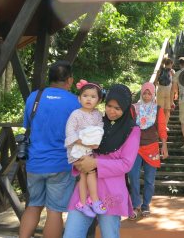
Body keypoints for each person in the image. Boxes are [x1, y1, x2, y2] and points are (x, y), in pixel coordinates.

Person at [63, 84, 140, 238]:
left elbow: (126, 164)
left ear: (125, 108)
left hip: (111, 191)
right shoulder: (96, 122)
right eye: (109, 106)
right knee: (71, 234)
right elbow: (81, 145)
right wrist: (79, 163)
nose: (112, 111)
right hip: (84, 191)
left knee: (109, 235)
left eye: (118, 108)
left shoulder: (132, 130)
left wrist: (96, 163)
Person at [19, 61, 80, 238]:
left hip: (35, 162)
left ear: (50, 78)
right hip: (60, 164)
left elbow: (28, 126)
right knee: (54, 212)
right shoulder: (74, 102)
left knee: (33, 205)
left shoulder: (34, 98)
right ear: (69, 80)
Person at [65, 79, 106, 218]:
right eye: (85, 95)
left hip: (89, 148)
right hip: (77, 149)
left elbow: (100, 128)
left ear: (99, 100)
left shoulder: (98, 114)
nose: (89, 99)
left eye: (93, 97)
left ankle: (82, 203)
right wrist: (86, 142)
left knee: (83, 175)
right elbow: (69, 132)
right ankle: (94, 200)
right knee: (91, 172)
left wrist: (95, 139)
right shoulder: (76, 114)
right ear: (79, 98)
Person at [128, 82, 168, 220]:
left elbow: (162, 128)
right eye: (144, 92)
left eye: (149, 93)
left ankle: (146, 205)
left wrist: (164, 145)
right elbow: (128, 126)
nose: (146, 95)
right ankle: (136, 205)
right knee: (133, 176)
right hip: (134, 147)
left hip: (152, 147)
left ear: (153, 94)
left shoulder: (158, 109)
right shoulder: (134, 108)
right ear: (141, 93)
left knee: (150, 180)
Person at [155, 57, 176, 127]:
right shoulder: (172, 72)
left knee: (161, 110)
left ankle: (161, 125)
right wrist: (175, 93)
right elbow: (175, 83)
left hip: (161, 90)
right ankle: (164, 125)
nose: (171, 66)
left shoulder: (160, 71)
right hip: (168, 91)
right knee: (167, 110)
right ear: (170, 64)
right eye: (171, 64)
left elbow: (155, 82)